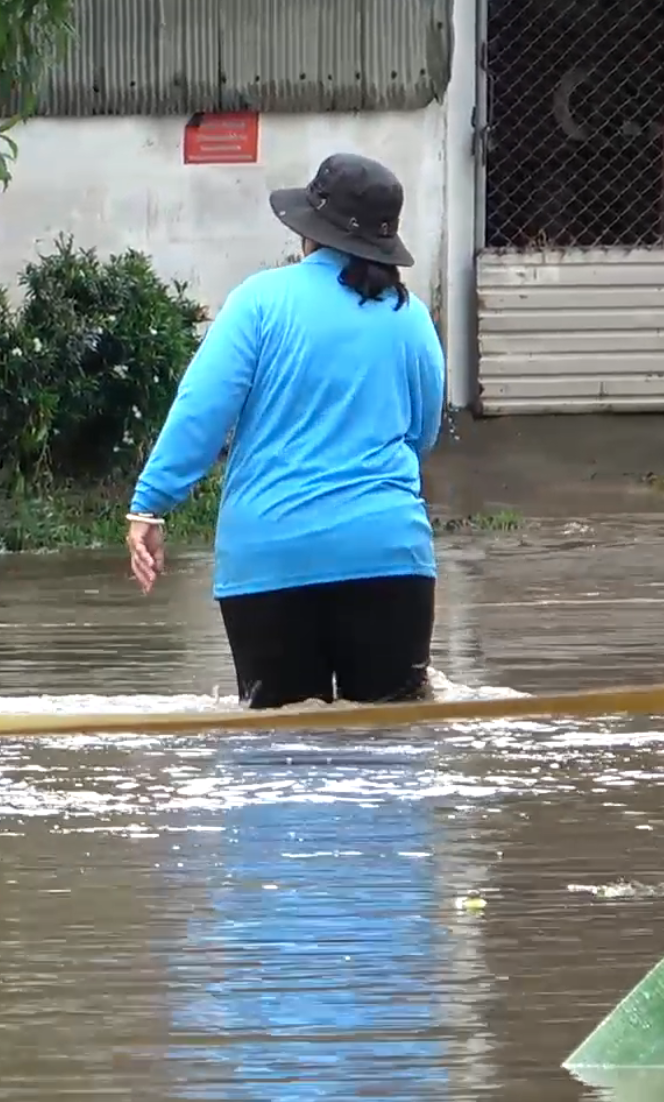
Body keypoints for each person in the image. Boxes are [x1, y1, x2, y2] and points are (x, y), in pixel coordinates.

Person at [125, 153, 446, 710]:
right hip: (388, 555)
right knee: (395, 759)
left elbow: (201, 410)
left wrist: (151, 505)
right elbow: (423, 435)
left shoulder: (259, 302)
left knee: (278, 760)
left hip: (269, 560)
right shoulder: (409, 315)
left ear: (308, 232)